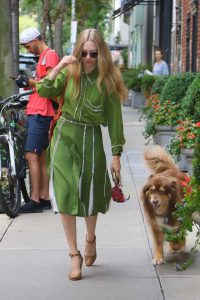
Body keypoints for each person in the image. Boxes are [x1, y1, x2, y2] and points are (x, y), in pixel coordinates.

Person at [36, 28, 127, 280]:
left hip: (91, 137)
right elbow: (43, 91)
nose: (87, 58)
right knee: (65, 192)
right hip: (64, 136)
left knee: (88, 191)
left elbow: (115, 119)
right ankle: (73, 254)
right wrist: (59, 66)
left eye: (93, 53)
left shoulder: (107, 81)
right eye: (83, 52)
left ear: (101, 54)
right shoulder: (69, 71)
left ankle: (90, 239)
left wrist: (117, 154)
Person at [18, 28, 60, 213]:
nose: (28, 50)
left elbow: (50, 85)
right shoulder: (43, 58)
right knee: (41, 156)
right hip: (39, 111)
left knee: (31, 155)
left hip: (41, 112)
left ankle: (34, 200)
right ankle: (43, 197)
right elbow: (42, 85)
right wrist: (27, 83)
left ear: (36, 40)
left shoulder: (49, 56)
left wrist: (31, 81)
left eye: (28, 46)